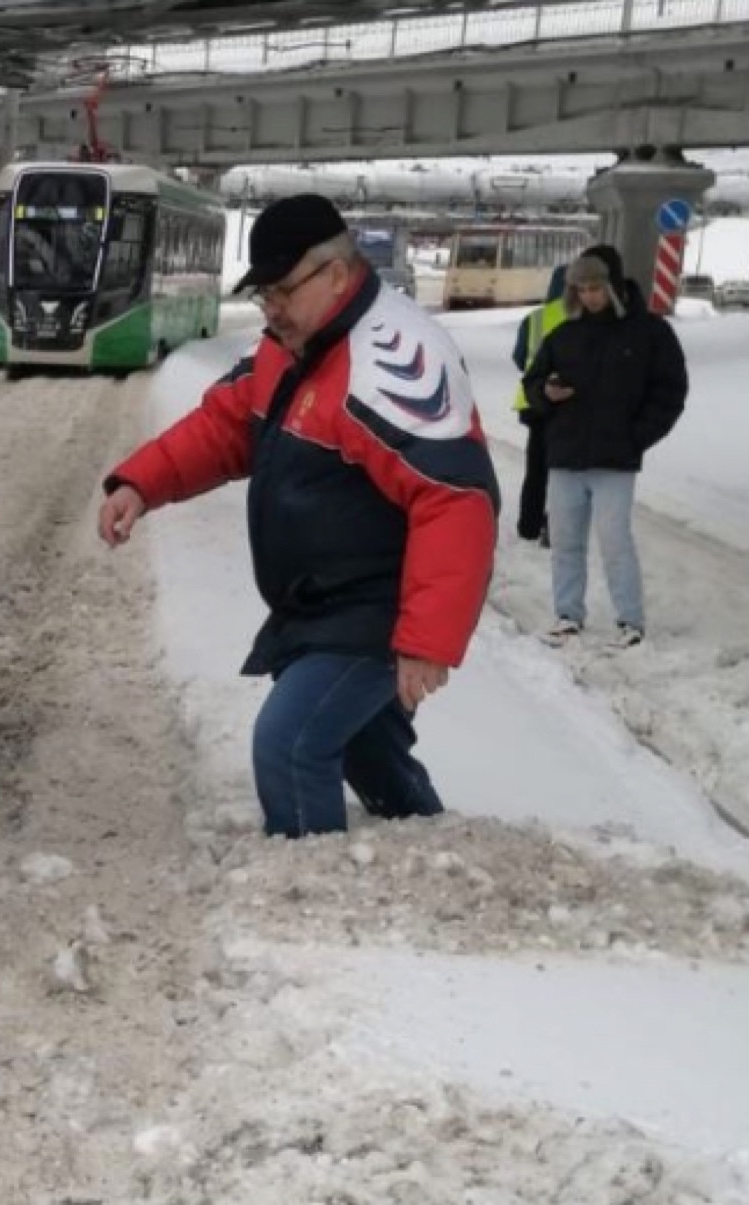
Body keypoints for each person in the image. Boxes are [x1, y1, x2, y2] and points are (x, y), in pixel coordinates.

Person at [96, 194, 499, 839]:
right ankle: (428, 857)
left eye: (282, 290)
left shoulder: (394, 359)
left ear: (336, 275)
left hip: (373, 610)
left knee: (289, 745)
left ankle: (312, 894)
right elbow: (228, 425)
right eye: (264, 295)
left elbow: (457, 498)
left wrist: (426, 641)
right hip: (319, 604)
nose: (271, 308)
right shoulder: (294, 344)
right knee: (371, 754)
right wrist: (142, 484)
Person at [520, 245, 687, 648]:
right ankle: (567, 614)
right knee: (565, 540)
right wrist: (546, 392)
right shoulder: (563, 334)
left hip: (616, 459)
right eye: (581, 289)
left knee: (615, 540)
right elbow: (532, 383)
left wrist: (638, 436)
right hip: (565, 456)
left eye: (595, 287)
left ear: (612, 285)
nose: (589, 296)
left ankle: (630, 620)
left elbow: (670, 391)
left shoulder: (650, 333)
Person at [510, 264, 568, 545]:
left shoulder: (534, 318)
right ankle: (555, 525)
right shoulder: (581, 319)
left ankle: (528, 525)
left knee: (536, 468)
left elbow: (519, 357)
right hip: (568, 404)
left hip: (534, 403)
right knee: (563, 469)